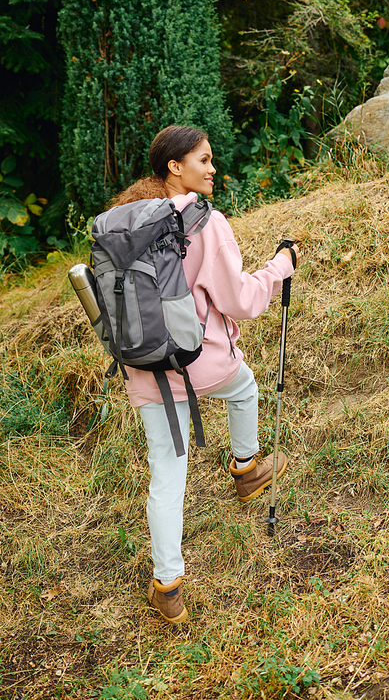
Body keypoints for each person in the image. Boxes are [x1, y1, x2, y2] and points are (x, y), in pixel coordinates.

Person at [112, 125, 301, 624]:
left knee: (166, 476)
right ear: (176, 167)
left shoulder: (123, 220)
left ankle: (168, 586)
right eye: (204, 159)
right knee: (245, 388)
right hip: (201, 364)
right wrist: (278, 267)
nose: (213, 168)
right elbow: (240, 300)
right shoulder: (205, 222)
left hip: (145, 369)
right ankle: (246, 468)